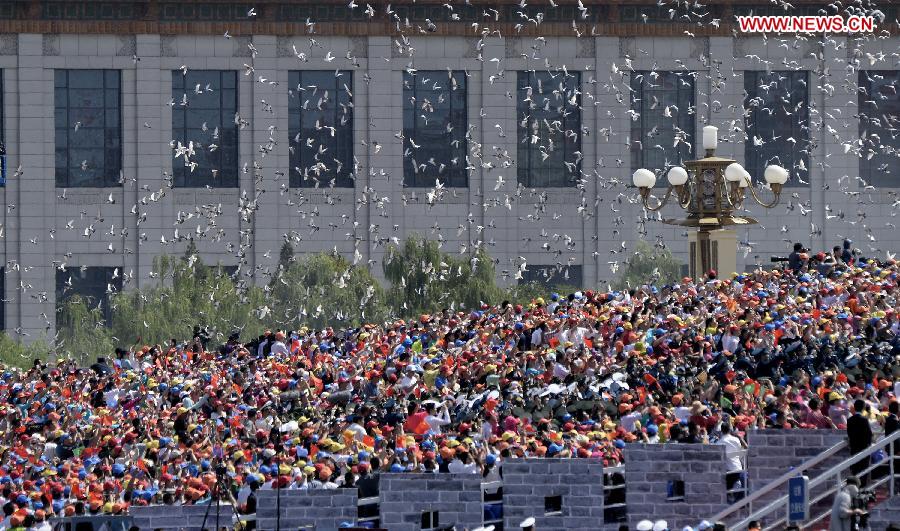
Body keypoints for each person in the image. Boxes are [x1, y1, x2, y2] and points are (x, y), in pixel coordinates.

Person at [847, 399, 874, 485]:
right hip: (864, 449)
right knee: (864, 473)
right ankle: (862, 492)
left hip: (854, 449)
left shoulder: (850, 420)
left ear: (854, 408)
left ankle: (855, 491)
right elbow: (869, 434)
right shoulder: (864, 420)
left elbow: (849, 434)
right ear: (863, 408)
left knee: (855, 472)